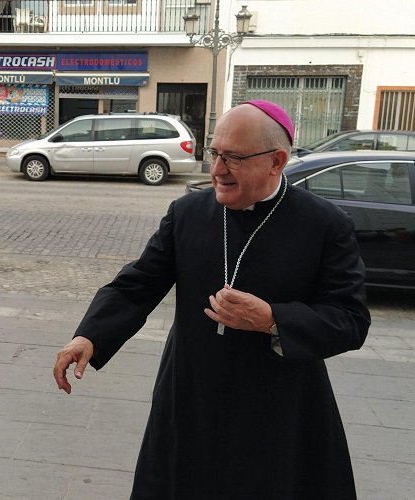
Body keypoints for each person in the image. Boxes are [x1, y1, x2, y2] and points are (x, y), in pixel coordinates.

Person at [53, 100, 371, 499]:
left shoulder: (325, 225)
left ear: (277, 161)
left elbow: (351, 319)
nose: (217, 170)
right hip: (191, 398)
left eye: (234, 158)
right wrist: (90, 336)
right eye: (215, 153)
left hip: (278, 411)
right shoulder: (187, 213)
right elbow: (138, 284)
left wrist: (274, 319)